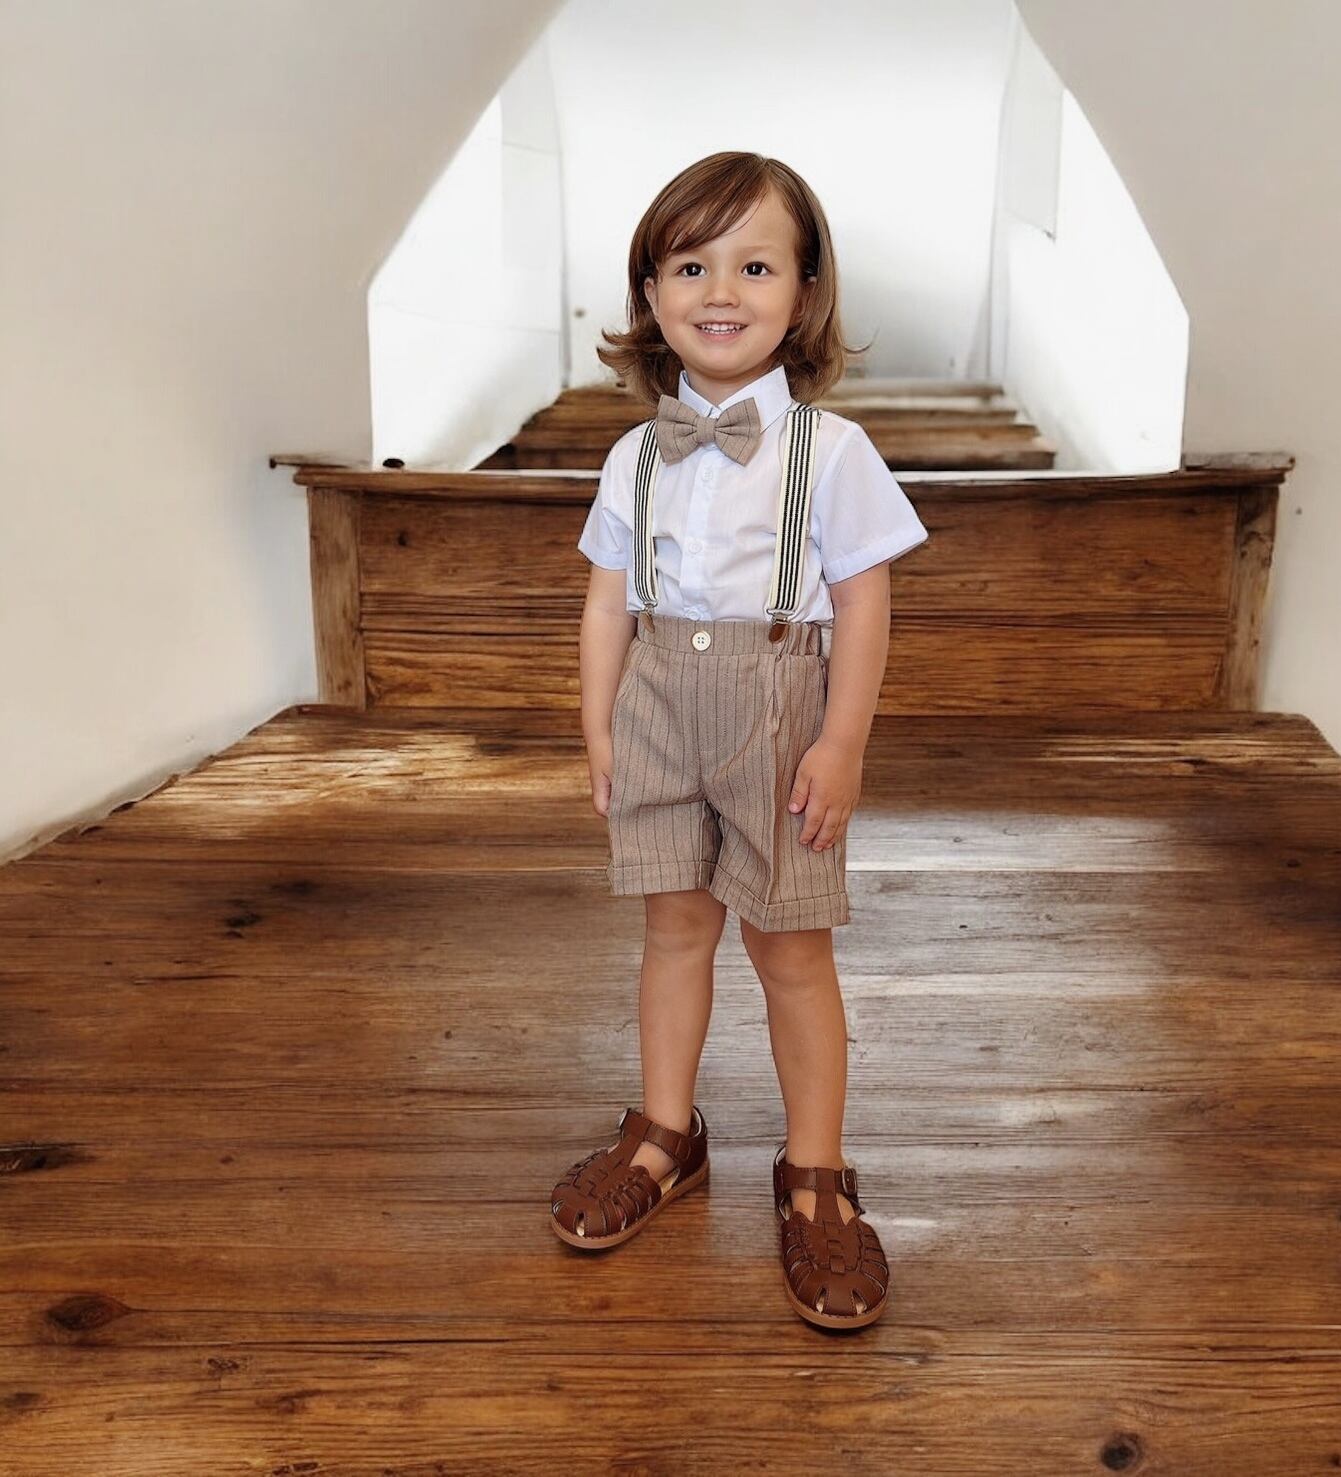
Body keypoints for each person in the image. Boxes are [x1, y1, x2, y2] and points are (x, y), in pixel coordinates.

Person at [550, 152, 928, 1330]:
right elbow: (607, 600)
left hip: (780, 705)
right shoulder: (634, 455)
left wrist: (842, 741)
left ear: (803, 292)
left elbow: (862, 603)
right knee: (673, 928)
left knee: (789, 947)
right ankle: (667, 1132)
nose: (720, 291)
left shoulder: (833, 449)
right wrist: (599, 724)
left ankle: (815, 1171)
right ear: (649, 294)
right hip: (660, 702)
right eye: (690, 266)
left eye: (755, 266)